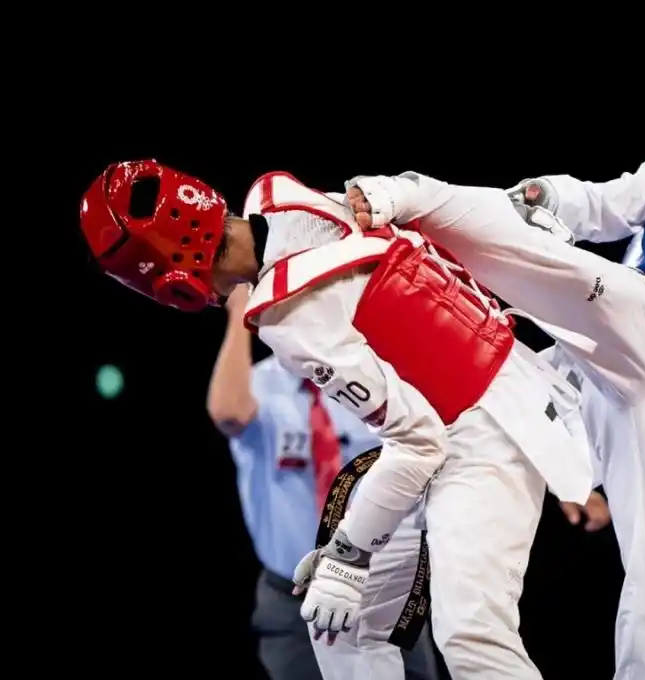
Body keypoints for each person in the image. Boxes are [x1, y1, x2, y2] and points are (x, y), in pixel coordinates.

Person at [340, 67, 645, 679]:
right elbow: (614, 201)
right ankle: (410, 196)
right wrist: (551, 198)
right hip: (643, 320)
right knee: (550, 265)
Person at [79, 161, 595, 680]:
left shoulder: (292, 320)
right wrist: (345, 552)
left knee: (471, 634)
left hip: (483, 428)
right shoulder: (285, 201)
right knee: (340, 626)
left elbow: (418, 443)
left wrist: (349, 553)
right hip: (488, 385)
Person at [206, 285, 441, 680]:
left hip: (381, 591)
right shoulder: (258, 387)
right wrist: (238, 315)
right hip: (291, 602)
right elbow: (227, 413)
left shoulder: (374, 381)